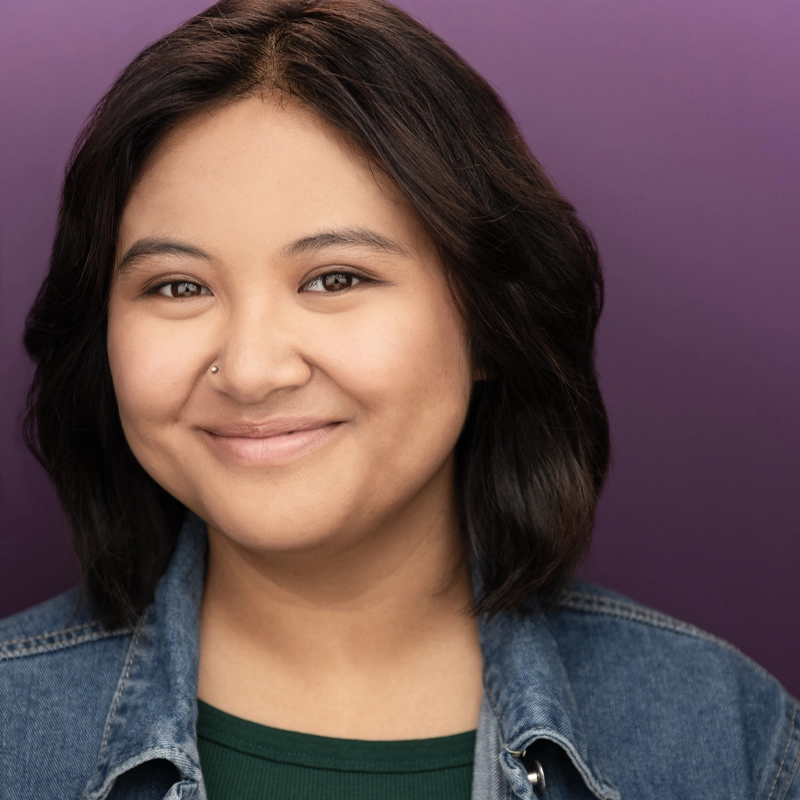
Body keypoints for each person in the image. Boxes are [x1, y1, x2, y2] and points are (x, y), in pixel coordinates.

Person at [1, 0, 797, 797]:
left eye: (335, 279)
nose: (248, 370)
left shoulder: (729, 739)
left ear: (491, 322)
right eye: (178, 286)